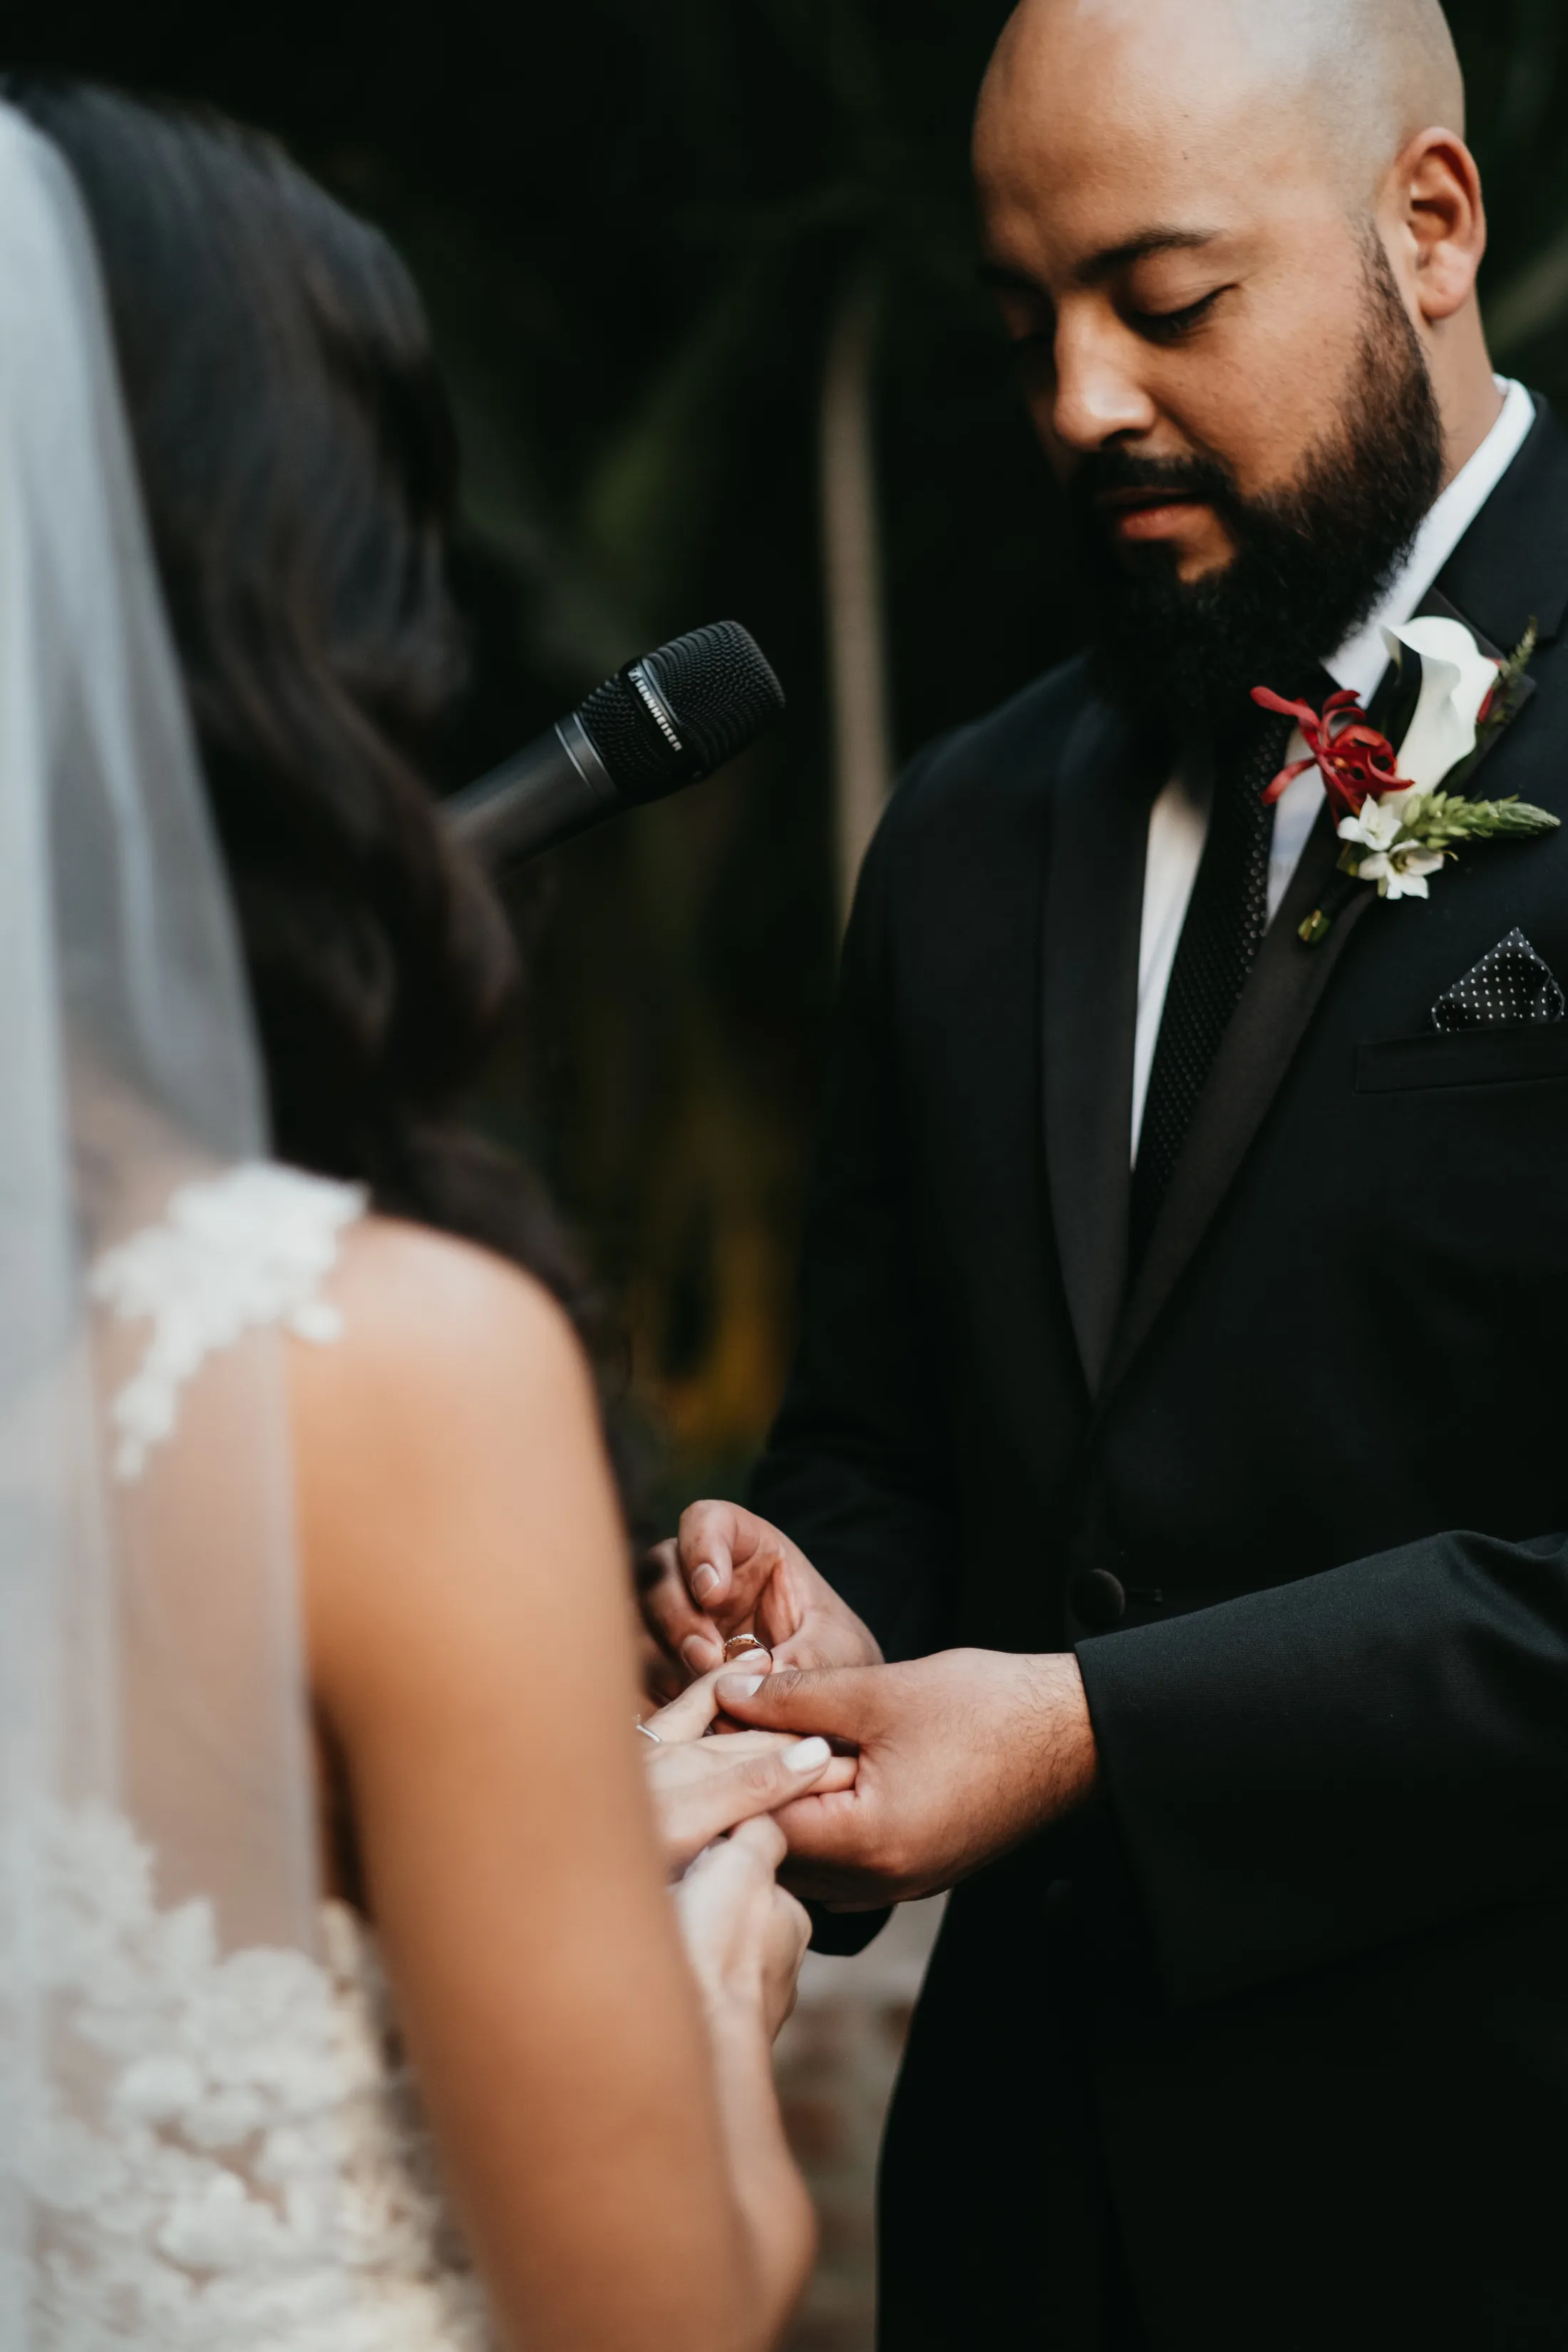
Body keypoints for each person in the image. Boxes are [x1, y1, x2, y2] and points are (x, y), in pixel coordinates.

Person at [641, 2, 1568, 2346]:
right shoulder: (965, 827)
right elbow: (894, 1433)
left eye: (1165, 303)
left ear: (1430, 224)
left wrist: (1087, 1734)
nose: (1074, 402)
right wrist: (822, 1604)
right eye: (1027, 316)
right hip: (1034, 2234)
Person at [0, 79, 849, 2352]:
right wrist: (712, 1963)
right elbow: (660, 2309)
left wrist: (527, 1814)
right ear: (295, 615)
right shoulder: (381, 1364)